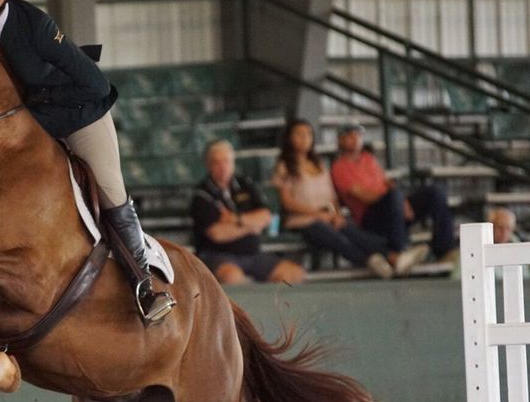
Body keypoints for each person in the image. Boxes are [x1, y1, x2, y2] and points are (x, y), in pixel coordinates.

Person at [0, 0, 175, 326]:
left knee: (110, 191)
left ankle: (144, 286)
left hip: (78, 117)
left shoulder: (35, 26)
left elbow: (95, 83)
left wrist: (37, 101)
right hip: (23, 127)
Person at [272, 120, 394, 279]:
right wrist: (317, 214)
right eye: (299, 134)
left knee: (349, 229)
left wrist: (335, 214)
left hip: (327, 216)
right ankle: (370, 261)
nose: (304, 138)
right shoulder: (284, 166)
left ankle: (391, 255)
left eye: (308, 134)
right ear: (289, 138)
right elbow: (287, 203)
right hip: (302, 221)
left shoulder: (320, 164)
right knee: (335, 237)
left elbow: (332, 196)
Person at [331, 123, 455, 274]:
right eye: (350, 135)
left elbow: (387, 183)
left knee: (435, 192)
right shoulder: (339, 167)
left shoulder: (368, 159)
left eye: (358, 135)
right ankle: (400, 251)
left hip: (392, 209)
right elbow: (364, 196)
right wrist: (394, 198)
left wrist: (401, 201)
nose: (356, 138)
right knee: (393, 196)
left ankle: (444, 249)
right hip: (370, 218)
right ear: (340, 140)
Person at [190, 140, 306, 285]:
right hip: (217, 256)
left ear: (233, 163)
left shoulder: (246, 184)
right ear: (208, 165)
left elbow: (265, 216)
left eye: (226, 161)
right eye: (217, 162)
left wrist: (234, 219)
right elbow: (217, 234)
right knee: (232, 278)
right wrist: (252, 225)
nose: (222, 167)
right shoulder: (202, 195)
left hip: (252, 254)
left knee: (294, 274)